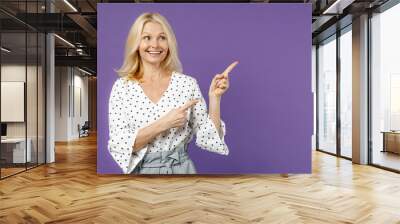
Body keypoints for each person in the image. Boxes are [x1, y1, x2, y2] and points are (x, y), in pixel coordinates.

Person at [108, 12, 238, 174]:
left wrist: (215, 99)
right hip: (140, 173)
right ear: (136, 43)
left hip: (182, 171)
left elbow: (209, 138)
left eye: (162, 38)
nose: (155, 45)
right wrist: (165, 123)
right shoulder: (122, 88)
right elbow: (120, 144)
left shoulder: (187, 84)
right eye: (147, 37)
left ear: (169, 43)